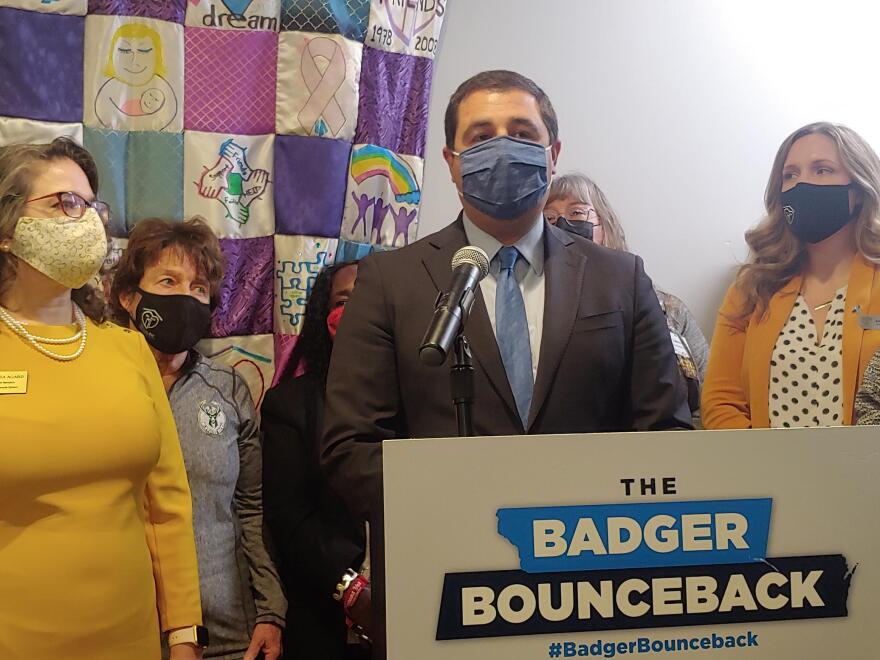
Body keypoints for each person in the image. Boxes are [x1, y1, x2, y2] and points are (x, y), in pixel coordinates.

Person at [320, 70, 692, 657]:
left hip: (595, 588)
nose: (502, 146)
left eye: (521, 131)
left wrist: (581, 528)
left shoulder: (622, 278)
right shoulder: (388, 282)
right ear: (450, 159)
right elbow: (351, 445)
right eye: (481, 134)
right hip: (444, 585)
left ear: (553, 152)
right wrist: (471, 510)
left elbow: (665, 433)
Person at [0, 138, 204, 659]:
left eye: (92, 205)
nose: (86, 219)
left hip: (130, 642)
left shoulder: (129, 348)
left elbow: (168, 505)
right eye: (64, 203)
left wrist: (183, 633)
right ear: (7, 230)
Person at [110, 217, 286, 660]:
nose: (185, 297)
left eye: (197, 288)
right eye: (168, 281)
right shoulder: (99, 385)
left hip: (226, 632)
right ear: (130, 297)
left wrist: (270, 610)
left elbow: (249, 509)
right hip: (125, 628)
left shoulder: (227, 388)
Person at [702, 121, 880, 429]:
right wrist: (768, 469)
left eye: (822, 170)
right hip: (765, 473)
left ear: (860, 190)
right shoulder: (752, 289)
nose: (801, 184)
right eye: (790, 175)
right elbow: (721, 401)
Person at [261, 261, 370, 660]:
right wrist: (352, 588)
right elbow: (289, 516)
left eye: (370, 300)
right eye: (343, 301)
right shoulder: (290, 405)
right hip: (325, 620)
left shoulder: (420, 400)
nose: (359, 310)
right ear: (325, 318)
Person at [544, 172, 709, 419]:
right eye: (549, 218)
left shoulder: (668, 308)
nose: (563, 224)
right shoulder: (537, 310)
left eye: (577, 213)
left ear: (605, 224)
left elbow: (709, 393)